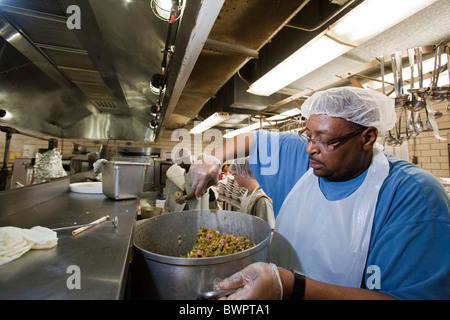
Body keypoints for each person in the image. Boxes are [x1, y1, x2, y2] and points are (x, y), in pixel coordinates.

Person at [189, 87, 450, 300]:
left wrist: (291, 287)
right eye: (309, 136)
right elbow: (250, 139)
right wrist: (212, 157)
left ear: (368, 137)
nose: (310, 149)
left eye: (325, 140)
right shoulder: (300, 160)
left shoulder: (412, 195)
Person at [230, 157, 275, 229]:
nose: (234, 178)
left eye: (235, 175)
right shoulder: (247, 193)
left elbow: (268, 232)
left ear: (243, 173)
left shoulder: (262, 199)